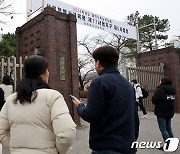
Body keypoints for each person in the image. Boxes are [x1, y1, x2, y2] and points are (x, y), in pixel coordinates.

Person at [0, 55, 76, 154]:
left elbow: (1, 132)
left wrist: (17, 147)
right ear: (42, 74)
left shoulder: (11, 99)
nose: (48, 73)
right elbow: (67, 133)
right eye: (47, 71)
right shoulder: (53, 96)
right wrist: (57, 151)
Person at [72, 45, 139, 154]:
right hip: (128, 146)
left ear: (98, 63)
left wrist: (80, 106)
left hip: (106, 146)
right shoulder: (128, 84)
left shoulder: (98, 83)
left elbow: (90, 115)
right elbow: (135, 116)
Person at [152, 77, 176, 150]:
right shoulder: (172, 89)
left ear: (163, 82)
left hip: (161, 111)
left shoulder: (160, 89)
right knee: (168, 128)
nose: (159, 82)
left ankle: (168, 146)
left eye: (160, 81)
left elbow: (154, 100)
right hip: (169, 111)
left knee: (163, 129)